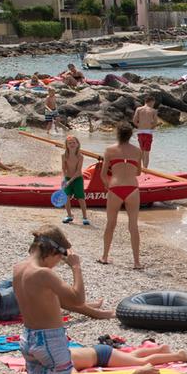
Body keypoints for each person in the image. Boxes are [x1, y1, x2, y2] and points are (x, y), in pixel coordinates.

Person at [13, 227, 83, 374]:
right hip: (51, 341)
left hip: (28, 338)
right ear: (52, 251)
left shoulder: (18, 268)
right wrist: (76, 267)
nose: (58, 264)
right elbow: (77, 299)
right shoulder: (43, 274)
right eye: (60, 259)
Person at [99, 124, 145, 269]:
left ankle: (105, 257)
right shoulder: (138, 151)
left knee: (111, 224)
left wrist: (107, 185)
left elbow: (103, 174)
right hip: (132, 188)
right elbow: (138, 172)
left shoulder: (109, 150)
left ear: (117, 133)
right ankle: (137, 262)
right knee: (133, 226)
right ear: (131, 135)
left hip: (115, 187)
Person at [60, 135, 90, 225]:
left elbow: (78, 171)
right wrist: (65, 180)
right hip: (68, 178)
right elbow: (63, 168)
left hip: (77, 179)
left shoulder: (80, 156)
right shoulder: (64, 155)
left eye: (74, 142)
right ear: (66, 145)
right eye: (70, 143)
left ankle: (85, 217)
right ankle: (69, 216)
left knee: (81, 198)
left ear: (77, 144)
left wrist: (70, 181)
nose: (72, 144)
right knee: (66, 197)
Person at [131, 97, 158, 168]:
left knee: (142, 151)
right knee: (147, 153)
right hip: (148, 133)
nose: (153, 105)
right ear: (151, 102)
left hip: (140, 132)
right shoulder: (153, 111)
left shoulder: (139, 109)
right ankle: (145, 170)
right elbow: (155, 123)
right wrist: (150, 128)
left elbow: (134, 121)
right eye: (153, 103)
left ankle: (141, 168)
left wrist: (139, 126)